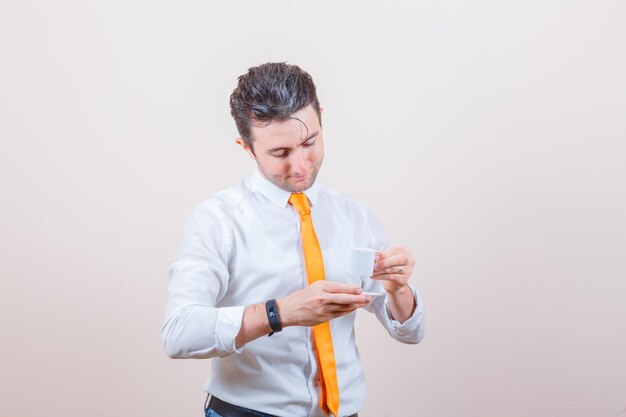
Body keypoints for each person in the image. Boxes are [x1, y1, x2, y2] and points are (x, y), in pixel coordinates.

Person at [161, 62, 425, 417]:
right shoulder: (217, 219)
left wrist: (397, 288)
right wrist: (279, 313)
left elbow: (410, 332)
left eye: (309, 142)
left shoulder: (354, 215)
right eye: (280, 153)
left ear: (321, 120)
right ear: (247, 148)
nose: (300, 165)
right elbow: (179, 333)